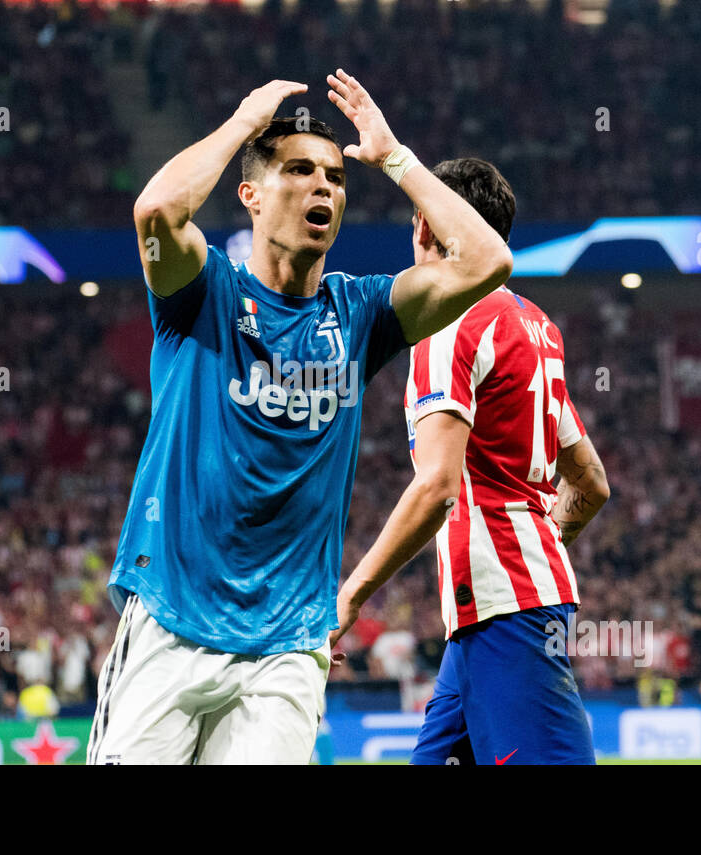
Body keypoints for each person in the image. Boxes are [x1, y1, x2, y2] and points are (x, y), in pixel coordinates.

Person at [86, 70, 514, 764]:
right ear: (250, 195)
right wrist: (239, 126)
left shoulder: (362, 314)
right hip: (171, 623)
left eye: (337, 177)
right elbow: (156, 212)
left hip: (286, 650)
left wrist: (394, 156)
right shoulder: (202, 294)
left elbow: (488, 260)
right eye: (298, 170)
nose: (324, 186)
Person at [330, 156, 610, 765]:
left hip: (507, 610)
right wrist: (539, 544)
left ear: (428, 229)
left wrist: (349, 597)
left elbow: (437, 487)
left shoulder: (447, 321)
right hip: (498, 607)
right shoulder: (537, 327)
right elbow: (590, 481)